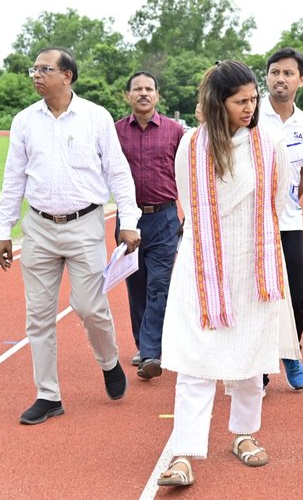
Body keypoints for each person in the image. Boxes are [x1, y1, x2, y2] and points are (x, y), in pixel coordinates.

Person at [157, 60, 299, 487]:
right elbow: (189, 203)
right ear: (219, 103)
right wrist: (213, 249)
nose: (250, 108)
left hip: (253, 262)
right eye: (241, 101)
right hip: (203, 265)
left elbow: (277, 198)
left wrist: (249, 244)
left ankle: (244, 434)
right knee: (195, 359)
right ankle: (184, 453)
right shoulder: (192, 145)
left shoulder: (269, 143)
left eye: (253, 99)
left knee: (251, 356)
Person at [0, 47, 141, 425]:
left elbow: (118, 172)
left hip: (84, 224)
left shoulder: (95, 117)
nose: (36, 75)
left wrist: (129, 221)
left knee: (90, 307)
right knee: (38, 316)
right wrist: (3, 230)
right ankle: (48, 395)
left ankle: (109, 361)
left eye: (45, 69)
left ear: (67, 76)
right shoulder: (25, 121)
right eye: (34, 69)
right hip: (39, 227)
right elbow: (13, 177)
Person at [114, 72, 185, 379]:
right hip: (129, 220)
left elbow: (187, 172)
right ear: (127, 95)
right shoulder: (115, 132)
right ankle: (143, 344)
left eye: (149, 89)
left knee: (160, 285)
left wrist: (189, 214)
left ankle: (151, 352)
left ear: (157, 95)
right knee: (137, 284)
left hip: (165, 218)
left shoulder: (175, 131)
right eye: (137, 89)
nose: (143, 93)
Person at [259, 47, 303, 390]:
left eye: (288, 73)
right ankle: (261, 366)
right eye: (275, 72)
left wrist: (287, 202)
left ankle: (291, 352)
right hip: (255, 223)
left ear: (301, 80)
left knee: (297, 296)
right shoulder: (252, 114)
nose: (280, 79)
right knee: (260, 296)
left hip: (290, 222)